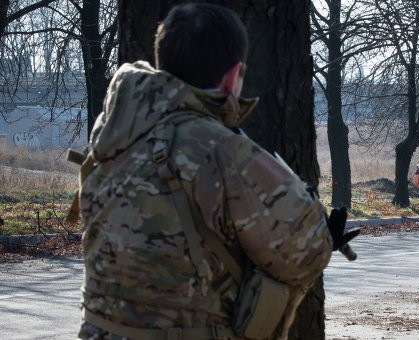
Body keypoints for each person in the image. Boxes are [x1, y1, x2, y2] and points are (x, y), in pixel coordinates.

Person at [76, 4, 357, 339]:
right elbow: (304, 252)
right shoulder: (223, 152)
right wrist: (319, 228)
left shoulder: (112, 136)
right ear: (231, 76)